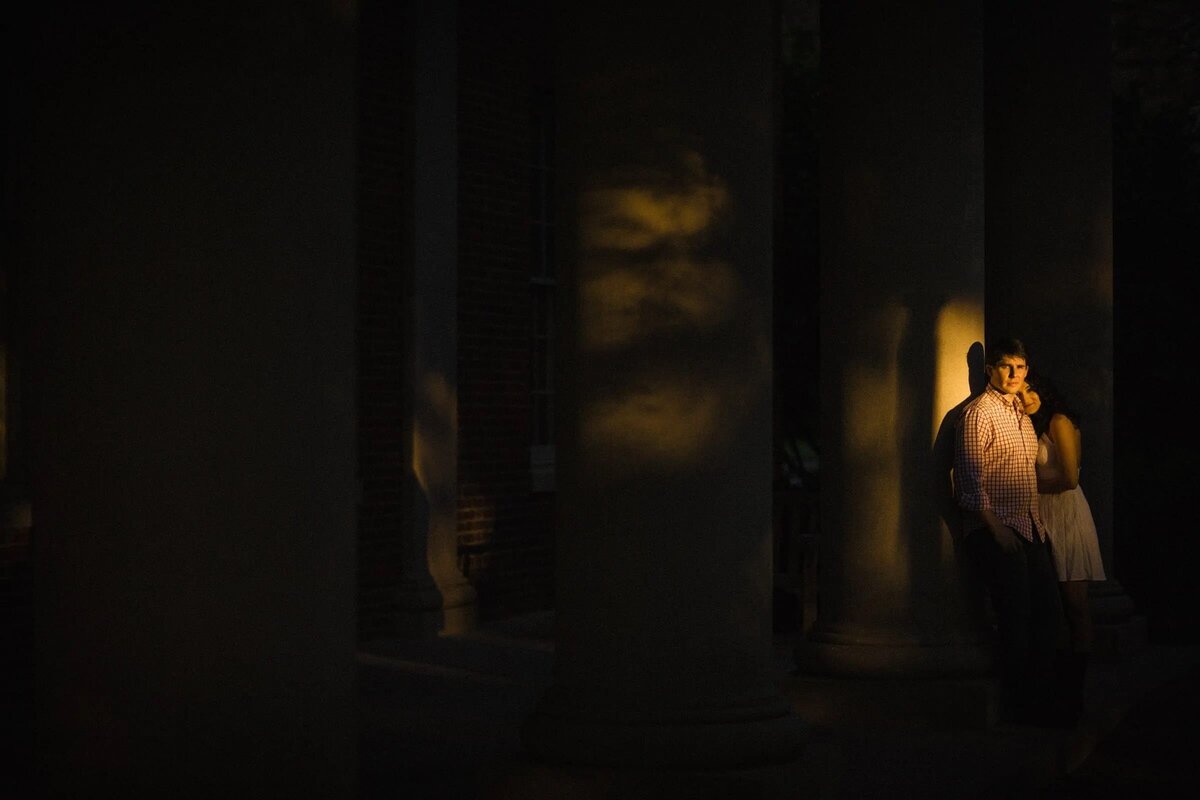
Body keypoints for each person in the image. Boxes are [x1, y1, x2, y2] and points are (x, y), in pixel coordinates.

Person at [954, 337, 1064, 725]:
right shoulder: (979, 413)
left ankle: (1042, 702)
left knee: (1047, 614)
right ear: (990, 370)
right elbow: (969, 478)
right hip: (999, 527)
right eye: (1006, 366)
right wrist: (994, 528)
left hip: (1030, 526)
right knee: (1016, 617)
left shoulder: (1019, 411)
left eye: (1021, 367)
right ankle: (1020, 709)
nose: (1015, 374)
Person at [1018, 373, 1105, 725]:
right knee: (1052, 606)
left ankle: (1074, 694)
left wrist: (1024, 480)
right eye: (1021, 392)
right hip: (1043, 515)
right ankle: (1055, 691)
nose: (1025, 397)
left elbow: (1069, 477)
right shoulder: (1030, 425)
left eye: (1030, 389)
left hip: (1065, 513)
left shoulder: (1058, 421)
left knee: (1075, 605)